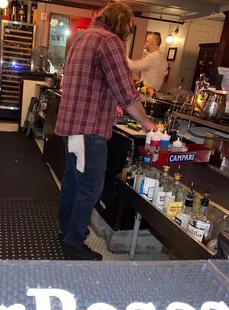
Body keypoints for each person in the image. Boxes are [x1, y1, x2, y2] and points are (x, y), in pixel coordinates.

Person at [54, 2, 157, 261]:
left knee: (72, 182)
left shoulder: (82, 38)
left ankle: (66, 229)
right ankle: (73, 243)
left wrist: (110, 105)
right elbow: (127, 93)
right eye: (129, 29)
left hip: (72, 128)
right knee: (90, 187)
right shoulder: (109, 41)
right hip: (89, 132)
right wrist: (148, 125)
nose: (127, 35)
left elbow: (85, 82)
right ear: (122, 25)